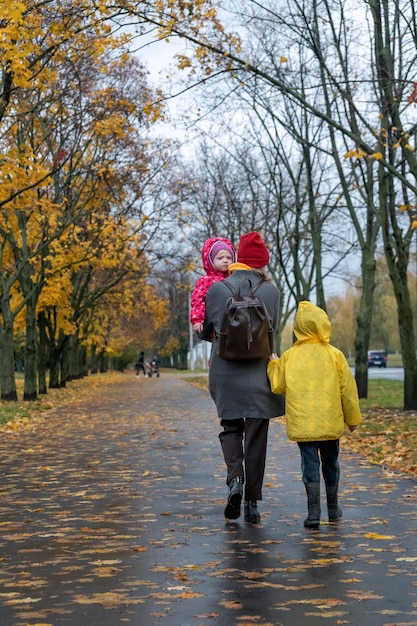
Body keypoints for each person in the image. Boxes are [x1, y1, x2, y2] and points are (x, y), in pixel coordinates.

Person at [200, 231, 285, 524]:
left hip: (226, 373)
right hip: (260, 373)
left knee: (231, 428)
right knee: (257, 436)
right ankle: (251, 503)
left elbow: (209, 329)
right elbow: (271, 328)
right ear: (262, 262)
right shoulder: (272, 291)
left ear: (238, 258)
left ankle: (235, 480)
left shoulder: (217, 289)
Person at [267, 300, 362, 529]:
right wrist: (352, 419)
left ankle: (313, 513)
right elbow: (347, 390)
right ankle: (333, 510)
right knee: (331, 464)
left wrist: (273, 365)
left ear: (299, 329)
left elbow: (278, 386)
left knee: (309, 467)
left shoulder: (290, 356)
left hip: (304, 426)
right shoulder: (335, 355)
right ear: (322, 325)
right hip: (329, 424)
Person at [190, 237, 236, 333]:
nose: (225, 261)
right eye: (220, 258)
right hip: (215, 325)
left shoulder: (235, 279)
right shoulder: (206, 281)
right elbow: (198, 300)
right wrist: (197, 320)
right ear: (210, 260)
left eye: (229, 258)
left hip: (235, 325)